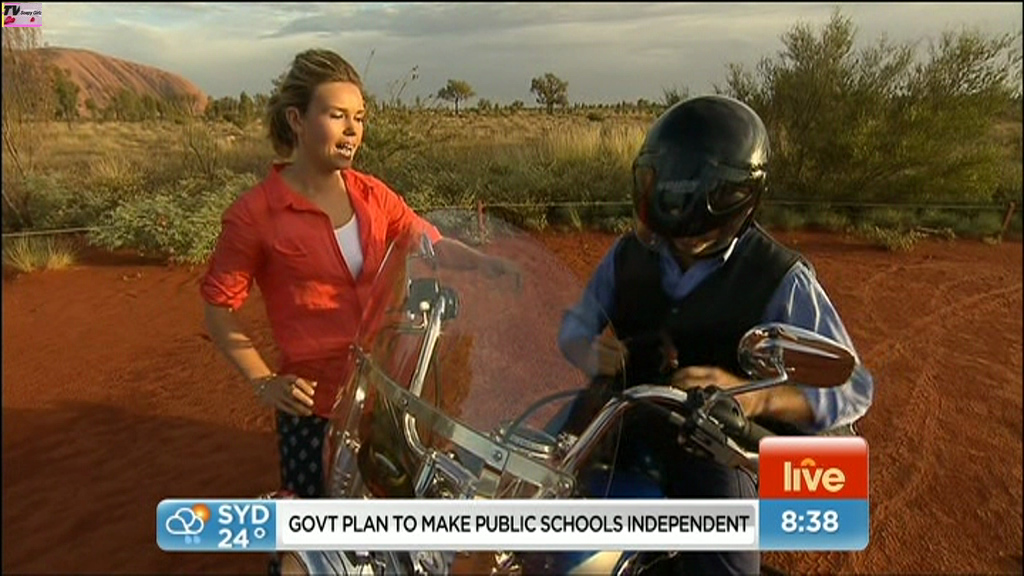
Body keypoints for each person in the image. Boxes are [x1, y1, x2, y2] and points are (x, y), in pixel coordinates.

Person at [555, 94, 875, 575]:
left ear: (736, 195)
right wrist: (589, 351)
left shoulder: (778, 276)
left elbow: (852, 388)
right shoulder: (627, 256)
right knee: (520, 486)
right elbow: (573, 329)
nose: (683, 236)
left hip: (713, 443)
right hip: (622, 413)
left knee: (727, 564)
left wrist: (751, 397)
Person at [200, 48, 513, 500]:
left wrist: (487, 263)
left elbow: (429, 241)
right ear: (296, 119)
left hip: (386, 395)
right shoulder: (255, 215)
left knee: (394, 519)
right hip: (315, 408)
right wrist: (264, 381)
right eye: (337, 115)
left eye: (360, 118)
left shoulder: (373, 196)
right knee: (317, 527)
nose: (353, 130)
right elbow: (218, 307)